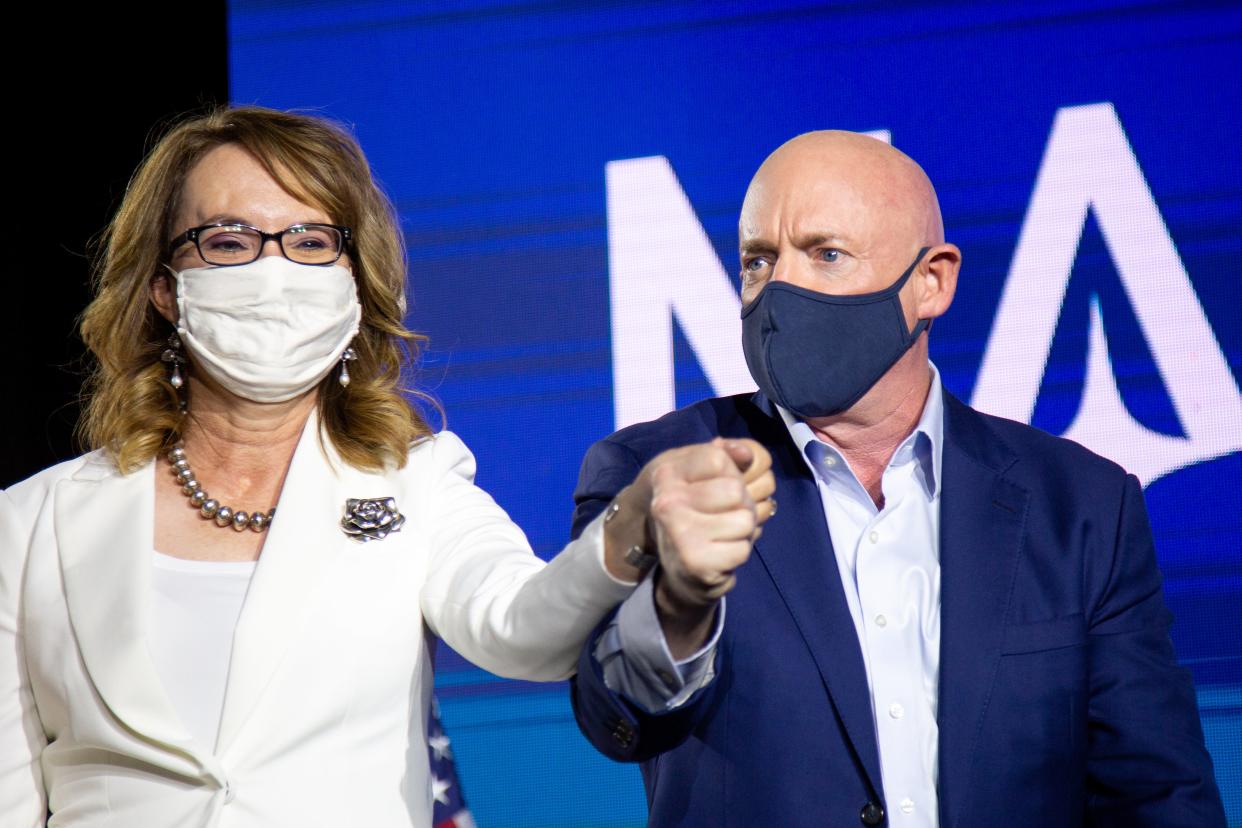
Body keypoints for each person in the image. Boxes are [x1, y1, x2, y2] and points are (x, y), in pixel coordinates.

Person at [0, 106, 775, 828]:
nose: (275, 271)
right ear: (166, 288)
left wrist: (628, 526)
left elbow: (522, 628)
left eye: (310, 241)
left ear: (354, 284)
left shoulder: (417, 484)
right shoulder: (30, 525)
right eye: (230, 241)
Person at [568, 131, 1226, 827]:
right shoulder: (658, 476)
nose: (780, 289)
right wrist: (677, 606)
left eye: (826, 255)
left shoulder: (1082, 505)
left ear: (931, 282)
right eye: (759, 261)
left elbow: (1158, 792)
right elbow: (616, 714)